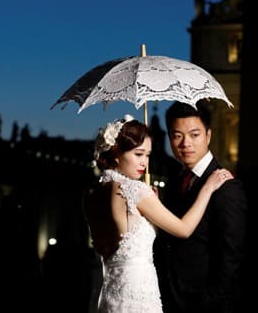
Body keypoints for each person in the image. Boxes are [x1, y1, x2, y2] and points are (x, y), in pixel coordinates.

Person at [84, 114, 234, 313]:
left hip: (110, 289)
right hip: (138, 289)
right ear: (117, 152)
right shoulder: (136, 190)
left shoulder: (92, 194)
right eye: (138, 154)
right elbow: (183, 229)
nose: (144, 162)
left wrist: (147, 204)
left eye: (147, 155)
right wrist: (207, 188)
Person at [156, 101, 248, 313]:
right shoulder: (174, 180)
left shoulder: (226, 185)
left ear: (208, 135)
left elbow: (232, 254)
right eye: (177, 135)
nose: (185, 143)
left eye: (194, 135)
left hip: (204, 304)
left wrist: (211, 301)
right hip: (171, 299)